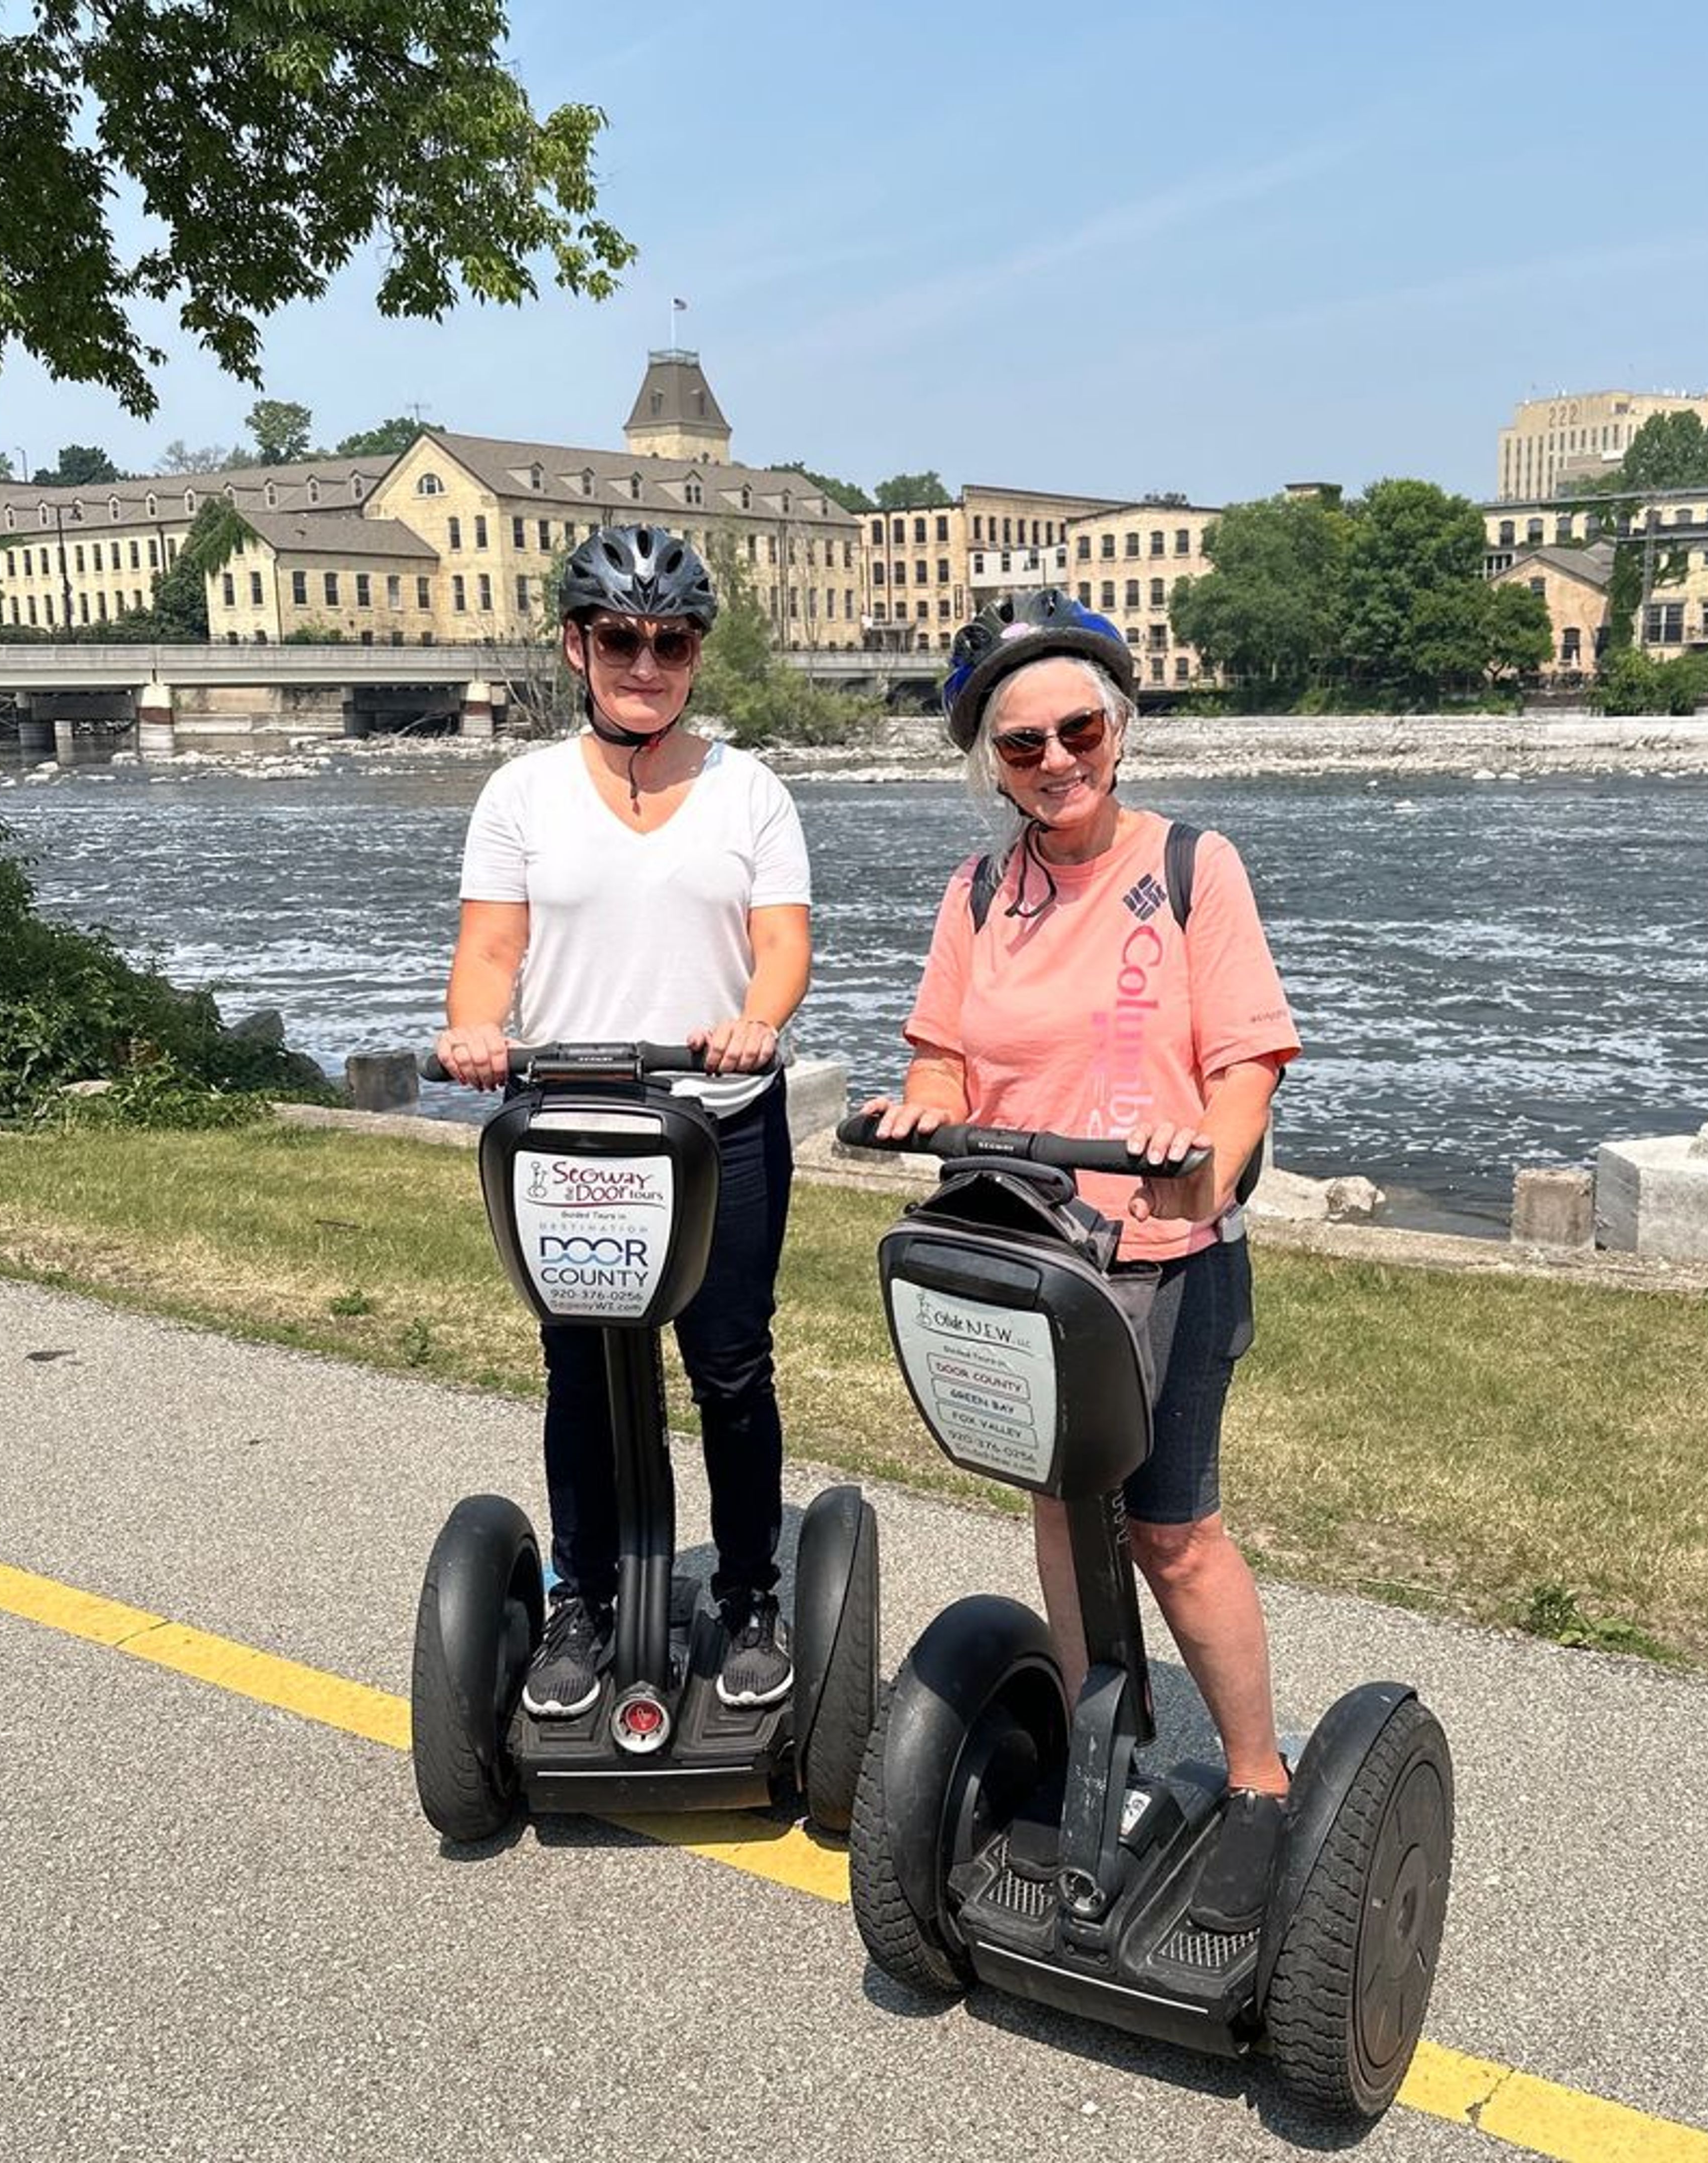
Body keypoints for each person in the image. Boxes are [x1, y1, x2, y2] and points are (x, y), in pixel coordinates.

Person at [863, 590, 1301, 1932]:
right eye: (1020, 745)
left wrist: (1202, 1163)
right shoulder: (978, 891)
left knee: (1171, 1530)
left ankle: (1257, 1779)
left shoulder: (1191, 864)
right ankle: (1106, 1743)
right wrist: (919, 1099)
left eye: (1076, 729)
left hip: (1167, 1255)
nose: (1054, 759)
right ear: (990, 764)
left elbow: (1246, 1065)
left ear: (1118, 726)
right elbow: (942, 1047)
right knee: (1060, 1506)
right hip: (1029, 1251)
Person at [435, 524, 811, 1719]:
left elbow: (783, 947)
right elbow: (490, 949)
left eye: (670, 641)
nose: (645, 662)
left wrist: (756, 1020)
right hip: (571, 1129)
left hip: (719, 1126)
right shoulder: (520, 792)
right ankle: (582, 1600)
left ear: (696, 652)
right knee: (582, 1372)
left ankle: (752, 1589)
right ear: (576, 645)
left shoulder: (750, 791)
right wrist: (477, 1030)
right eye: (621, 638)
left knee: (730, 1367)